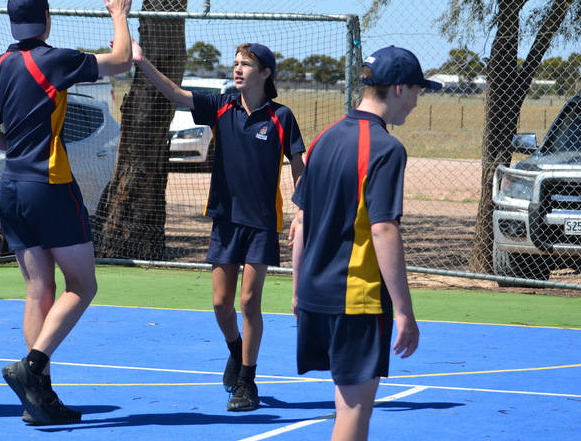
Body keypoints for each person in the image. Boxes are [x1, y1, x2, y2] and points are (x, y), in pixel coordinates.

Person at [0, 0, 135, 425]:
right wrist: (118, 13)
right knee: (82, 285)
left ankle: (38, 399)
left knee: (38, 288)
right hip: (50, 186)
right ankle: (33, 366)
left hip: (11, 187)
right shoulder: (53, 60)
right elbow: (120, 60)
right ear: (46, 19)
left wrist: (17, 147)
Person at [133, 41, 305, 412]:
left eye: (247, 64)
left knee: (248, 302)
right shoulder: (221, 106)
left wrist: (302, 211)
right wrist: (142, 61)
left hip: (261, 224)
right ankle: (235, 350)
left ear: (265, 73)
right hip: (225, 221)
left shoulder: (281, 116)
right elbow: (175, 93)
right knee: (220, 304)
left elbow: (298, 164)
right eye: (236, 63)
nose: (238, 69)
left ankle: (247, 381)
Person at [289, 45, 438, 440]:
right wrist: (404, 310)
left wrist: (297, 289)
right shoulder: (387, 148)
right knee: (355, 410)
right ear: (401, 89)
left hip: (315, 293)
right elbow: (383, 229)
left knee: (345, 402)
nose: (417, 102)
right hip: (356, 297)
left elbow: (301, 221)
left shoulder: (323, 138)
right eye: (418, 92)